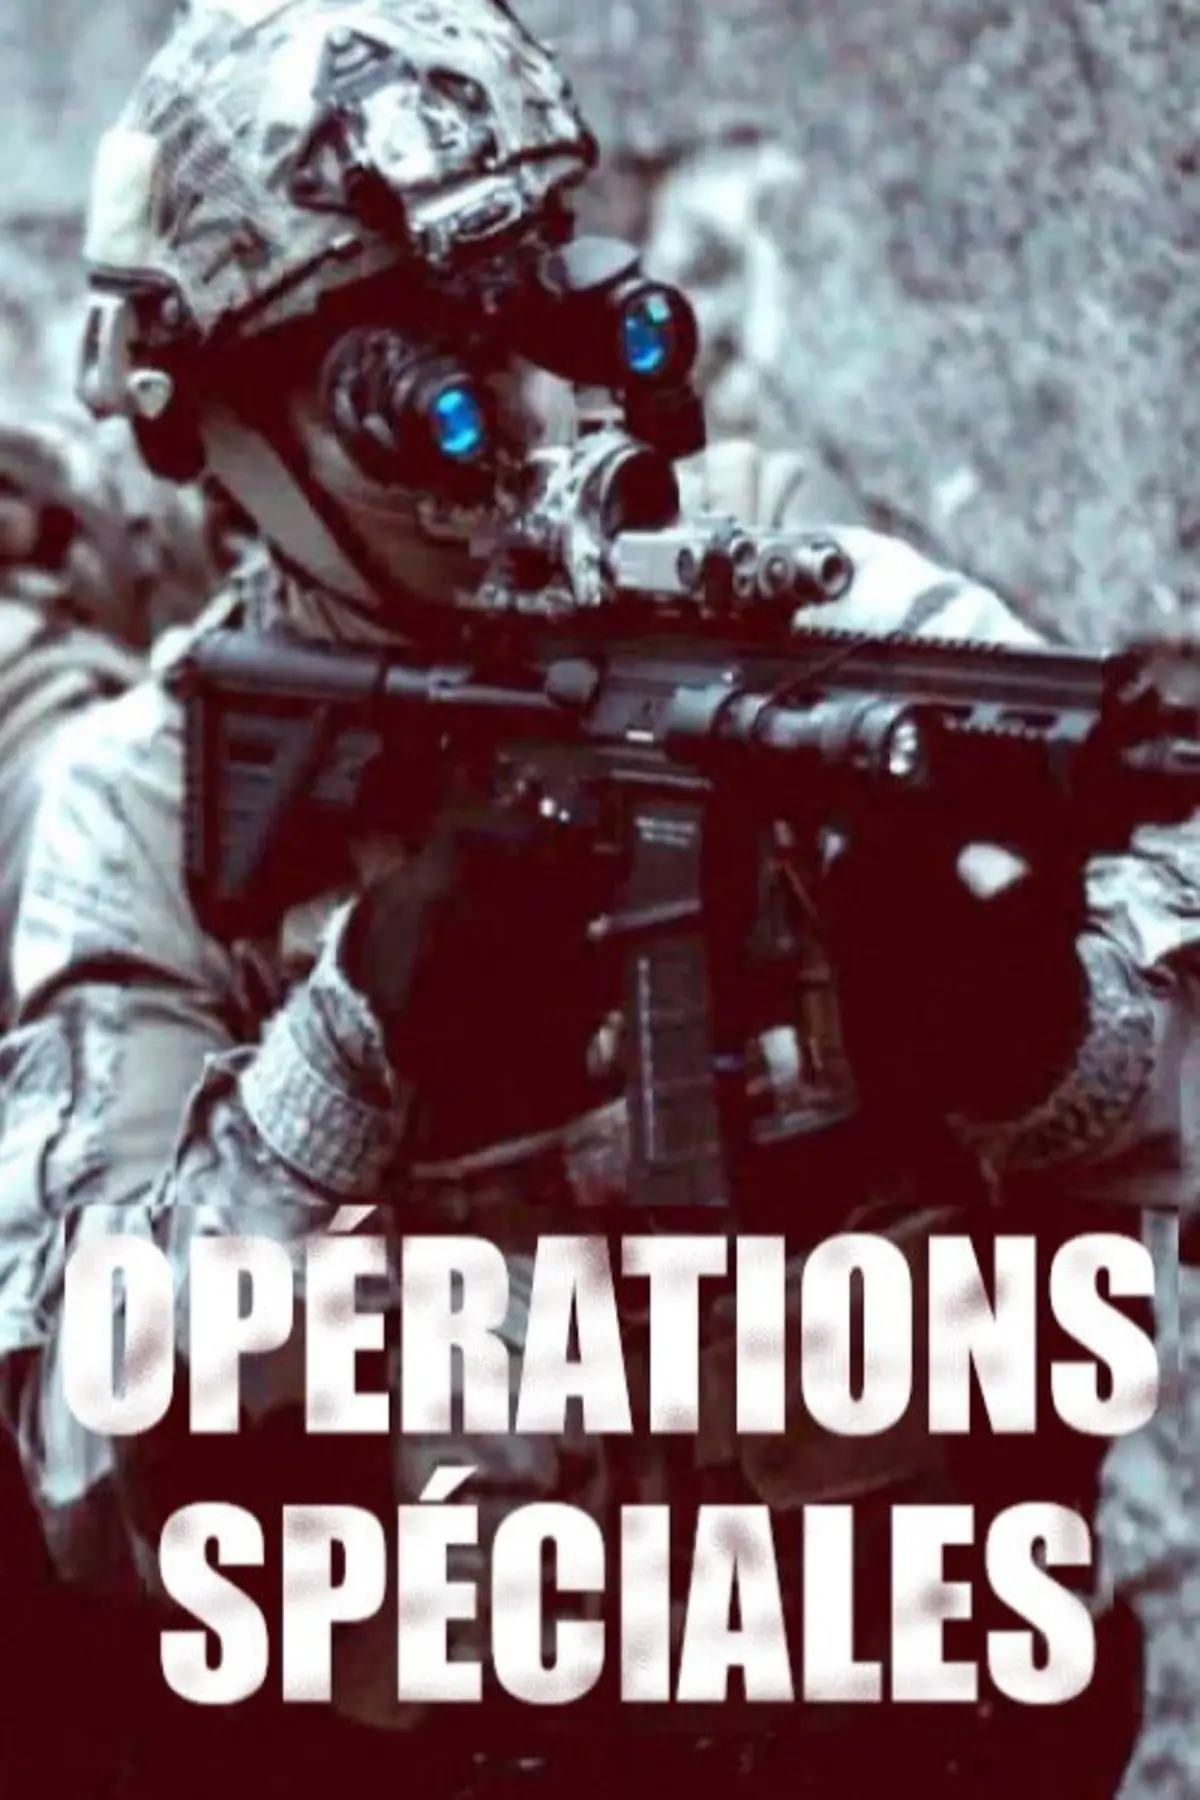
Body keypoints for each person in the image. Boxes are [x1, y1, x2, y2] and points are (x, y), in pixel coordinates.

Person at [0, 0, 1192, 1795]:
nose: (510, 410)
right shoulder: (160, 797)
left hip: (891, 1716)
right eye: (400, 371)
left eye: (524, 305)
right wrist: (354, 1048)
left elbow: (1144, 929)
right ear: (217, 428)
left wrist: (1042, 1033)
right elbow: (80, 1452)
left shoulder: (825, 620)